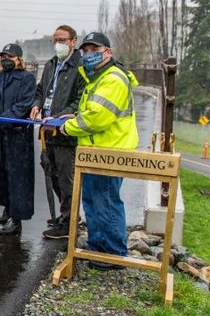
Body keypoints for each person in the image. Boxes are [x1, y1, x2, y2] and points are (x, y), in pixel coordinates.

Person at [61, 32, 138, 271]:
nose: (88, 55)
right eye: (86, 51)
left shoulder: (113, 79)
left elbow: (97, 118)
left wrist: (67, 127)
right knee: (93, 200)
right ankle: (97, 246)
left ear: (108, 52)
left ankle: (113, 253)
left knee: (105, 201)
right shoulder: (98, 77)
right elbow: (89, 111)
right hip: (95, 151)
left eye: (94, 50)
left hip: (109, 151)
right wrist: (73, 116)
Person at [30, 25, 85, 240]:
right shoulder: (52, 64)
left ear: (73, 41)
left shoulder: (79, 65)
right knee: (50, 171)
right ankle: (65, 215)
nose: (58, 44)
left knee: (65, 177)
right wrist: (36, 105)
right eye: (55, 40)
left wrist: (59, 117)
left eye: (62, 40)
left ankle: (69, 221)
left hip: (64, 132)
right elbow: (41, 90)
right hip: (46, 131)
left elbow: (79, 100)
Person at [0, 43, 36, 235]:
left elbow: (24, 105)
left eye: (9, 57)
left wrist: (0, 118)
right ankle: (7, 208)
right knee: (1, 174)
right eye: (3, 56)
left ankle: (17, 218)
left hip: (18, 135)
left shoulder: (27, 79)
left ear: (19, 59)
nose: (5, 60)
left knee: (18, 178)